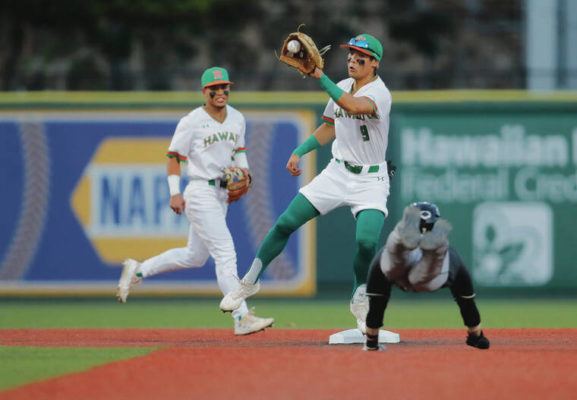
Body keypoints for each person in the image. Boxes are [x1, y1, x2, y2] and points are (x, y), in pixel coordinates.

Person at [220, 34, 392, 333]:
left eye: (360, 57)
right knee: (286, 222)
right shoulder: (339, 86)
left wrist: (319, 76)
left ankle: (359, 297)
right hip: (337, 172)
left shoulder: (380, 93)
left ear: (374, 63)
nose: (352, 60)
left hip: (371, 178)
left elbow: (351, 106)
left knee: (366, 242)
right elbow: (329, 126)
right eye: (350, 55)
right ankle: (248, 283)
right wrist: (300, 151)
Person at [116, 66, 274, 336]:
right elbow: (174, 157)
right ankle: (241, 316)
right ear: (204, 92)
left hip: (222, 193)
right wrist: (175, 192)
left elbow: (239, 151)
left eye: (225, 87)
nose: (221, 92)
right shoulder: (192, 121)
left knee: (195, 256)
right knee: (225, 252)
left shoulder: (237, 118)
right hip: (200, 190)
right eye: (215, 89)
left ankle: (137, 271)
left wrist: (246, 174)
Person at [363, 202, 491, 351]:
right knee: (423, 277)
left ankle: (399, 239)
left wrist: (371, 341)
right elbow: (466, 297)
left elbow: (376, 297)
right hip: (430, 277)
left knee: (392, 263)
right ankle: (434, 253)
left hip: (392, 270)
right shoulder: (452, 257)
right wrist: (476, 334)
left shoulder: (383, 257)